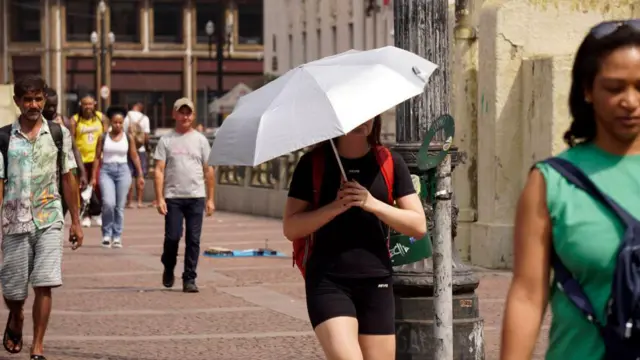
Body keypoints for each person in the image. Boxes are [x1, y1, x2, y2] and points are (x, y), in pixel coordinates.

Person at [500, 21, 640, 360]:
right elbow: (528, 296)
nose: (630, 101)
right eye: (614, 88)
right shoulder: (552, 182)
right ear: (587, 91)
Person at [283, 115, 426, 360]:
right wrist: (335, 207)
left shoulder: (390, 161)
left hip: (377, 280)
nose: (362, 120)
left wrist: (371, 203)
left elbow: (418, 225)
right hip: (328, 282)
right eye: (354, 115)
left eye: (368, 114)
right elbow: (291, 228)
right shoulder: (313, 164)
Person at [0, 75, 83, 360]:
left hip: (49, 217)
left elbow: (68, 176)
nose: (33, 105)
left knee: (44, 282)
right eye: (27, 99)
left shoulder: (59, 134)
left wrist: (76, 221)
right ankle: (16, 316)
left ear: (44, 99)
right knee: (13, 290)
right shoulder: (3, 137)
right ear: (17, 102)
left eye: (37, 99)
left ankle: (37, 346)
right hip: (14, 221)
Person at [154, 98, 215, 293]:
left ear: (193, 115)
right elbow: (159, 170)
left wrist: (211, 199)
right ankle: (168, 266)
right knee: (172, 237)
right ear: (174, 115)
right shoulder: (166, 140)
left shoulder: (201, 140)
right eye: (181, 112)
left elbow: (209, 170)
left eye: (188, 112)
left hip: (196, 196)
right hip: (173, 197)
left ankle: (189, 278)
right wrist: (160, 198)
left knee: (193, 239)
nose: (185, 116)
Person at [90, 105, 145, 248]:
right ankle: (106, 234)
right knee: (108, 204)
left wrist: (140, 174)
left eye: (120, 122)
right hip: (106, 171)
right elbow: (96, 157)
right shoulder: (103, 137)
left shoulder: (128, 137)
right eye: (115, 122)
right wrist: (93, 177)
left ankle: (117, 236)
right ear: (110, 122)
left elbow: (134, 156)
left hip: (123, 171)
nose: (118, 125)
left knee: (119, 207)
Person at [42, 88, 88, 194]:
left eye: (54, 105)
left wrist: (83, 173)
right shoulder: (37, 121)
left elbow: (74, 148)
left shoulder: (64, 121)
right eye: (48, 106)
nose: (52, 109)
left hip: (62, 170)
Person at [70, 94, 105, 228]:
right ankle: (85, 215)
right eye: (85, 104)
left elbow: (107, 135)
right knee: (82, 188)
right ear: (81, 105)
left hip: (97, 158)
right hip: (81, 160)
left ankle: (97, 212)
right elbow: (71, 139)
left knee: (97, 186)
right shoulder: (75, 120)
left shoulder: (101, 118)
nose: (88, 107)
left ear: (95, 104)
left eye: (90, 104)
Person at [123, 102, 151, 208]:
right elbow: (146, 136)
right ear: (141, 108)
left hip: (128, 149)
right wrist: (147, 146)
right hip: (141, 149)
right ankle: (139, 201)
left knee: (128, 175)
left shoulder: (126, 117)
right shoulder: (145, 118)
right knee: (140, 175)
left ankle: (129, 201)